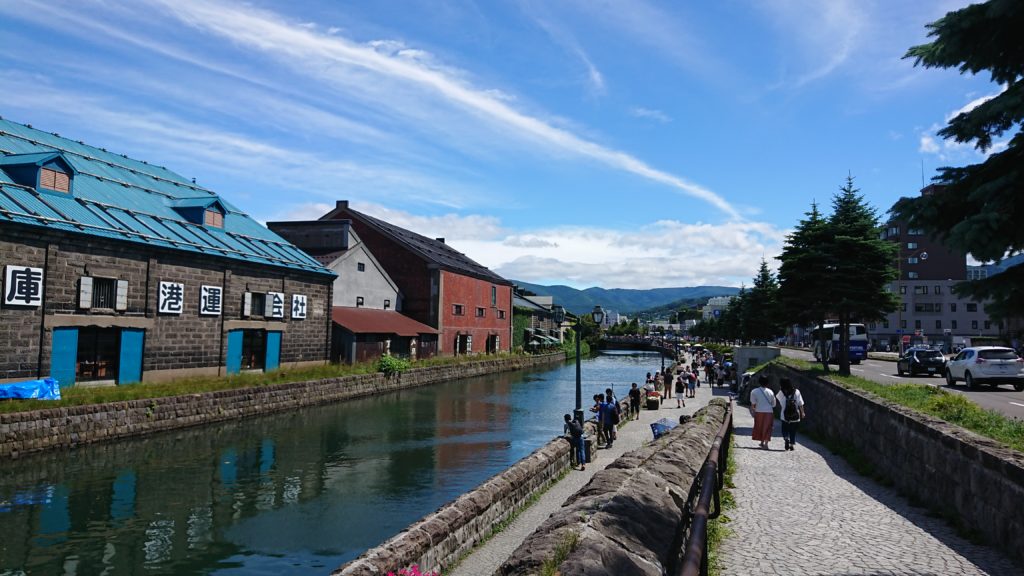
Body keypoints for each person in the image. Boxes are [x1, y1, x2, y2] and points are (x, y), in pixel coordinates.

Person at [775, 378, 806, 451]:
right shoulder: (797, 391)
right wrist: (802, 412)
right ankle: (791, 445)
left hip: (784, 415)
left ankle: (786, 439)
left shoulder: (781, 392)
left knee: (784, 429)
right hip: (795, 415)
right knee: (793, 431)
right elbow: (800, 404)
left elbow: (778, 399)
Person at [750, 375, 777, 449]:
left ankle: (761, 442)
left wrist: (753, 411)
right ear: (767, 383)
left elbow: (753, 403)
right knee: (768, 427)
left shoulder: (754, 391)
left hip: (759, 411)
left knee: (760, 426)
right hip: (769, 412)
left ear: (759, 382)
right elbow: (774, 404)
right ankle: (765, 444)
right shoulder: (771, 392)